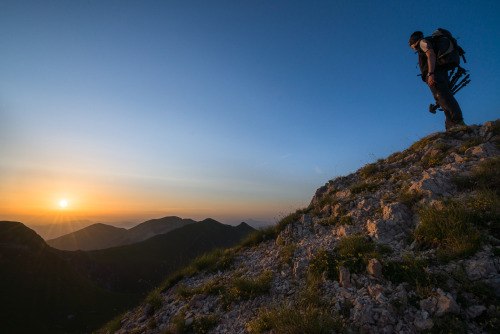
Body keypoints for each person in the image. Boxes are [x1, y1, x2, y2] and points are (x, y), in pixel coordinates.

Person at [409, 31, 466, 131]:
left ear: (413, 42)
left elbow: (430, 54)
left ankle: (458, 122)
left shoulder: (422, 42)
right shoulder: (427, 42)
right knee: (443, 98)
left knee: (443, 97)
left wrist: (431, 73)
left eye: (410, 44)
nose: (411, 47)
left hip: (435, 74)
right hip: (440, 73)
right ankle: (451, 127)